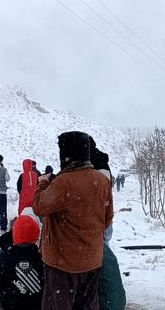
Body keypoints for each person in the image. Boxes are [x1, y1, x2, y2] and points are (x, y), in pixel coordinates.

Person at [33, 131, 111, 310]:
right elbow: (107, 219)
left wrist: (43, 183)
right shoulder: (102, 180)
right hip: (92, 260)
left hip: (63, 263)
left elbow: (38, 206)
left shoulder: (63, 182)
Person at [88, 137, 126, 310]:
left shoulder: (91, 166)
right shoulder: (104, 165)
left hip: (93, 218)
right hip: (103, 215)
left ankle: (96, 290)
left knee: (97, 257)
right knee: (104, 255)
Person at [0, 215, 43, 310]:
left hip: (10, 305)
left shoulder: (6, 257)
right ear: (36, 234)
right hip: (36, 306)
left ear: (13, 235)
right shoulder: (42, 258)